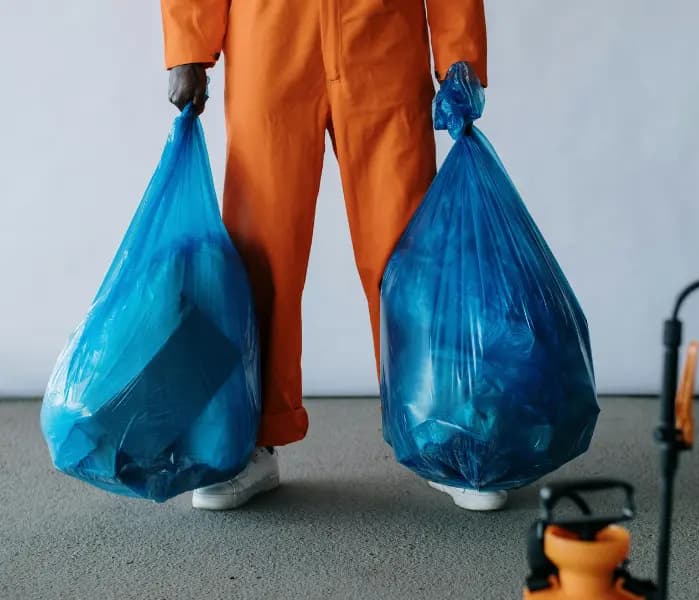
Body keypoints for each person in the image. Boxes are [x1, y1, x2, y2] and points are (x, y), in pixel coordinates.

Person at [161, 0, 506, 511]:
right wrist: (189, 43)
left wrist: (459, 50)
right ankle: (251, 438)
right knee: (261, 246)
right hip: (271, 35)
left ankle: (443, 431)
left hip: (382, 34)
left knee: (408, 247)